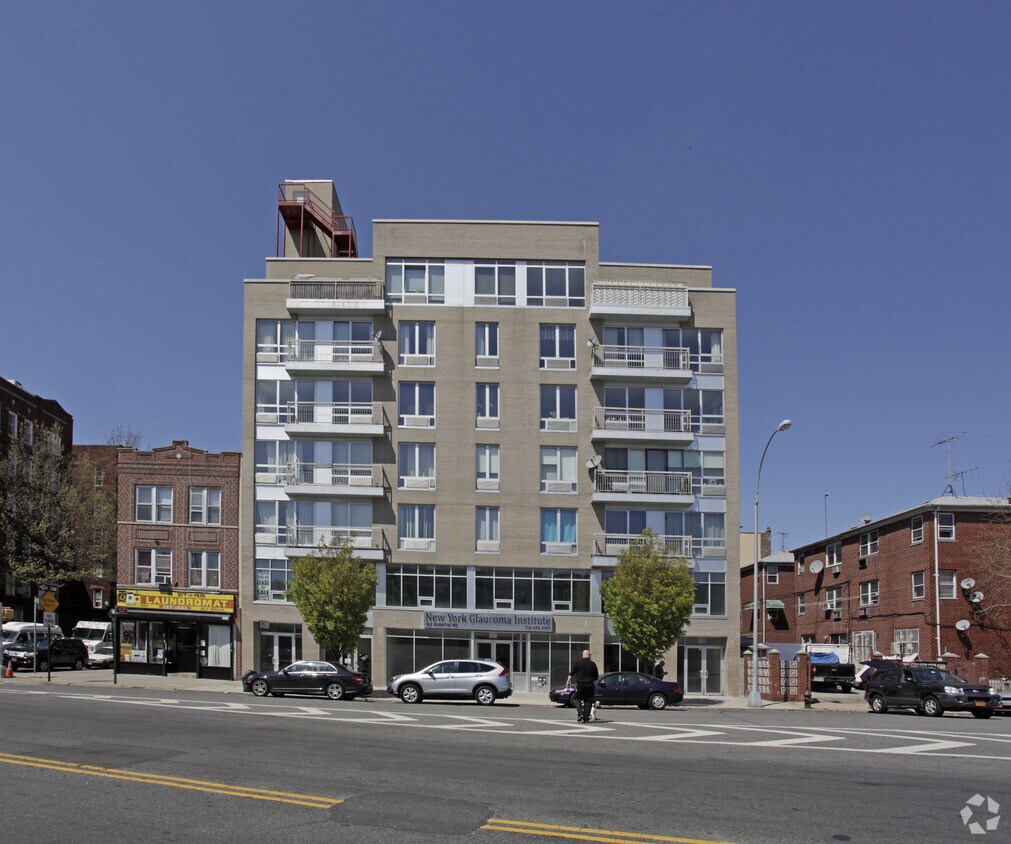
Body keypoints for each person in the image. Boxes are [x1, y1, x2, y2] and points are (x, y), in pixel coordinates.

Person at [567, 649, 599, 723]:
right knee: (588, 701)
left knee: (576, 698)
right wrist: (595, 685)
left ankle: (580, 713)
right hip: (590, 685)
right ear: (589, 655)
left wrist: (568, 681)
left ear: (583, 655)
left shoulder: (577, 663)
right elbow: (596, 678)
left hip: (580, 685)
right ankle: (586, 718)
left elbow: (571, 674)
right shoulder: (593, 664)